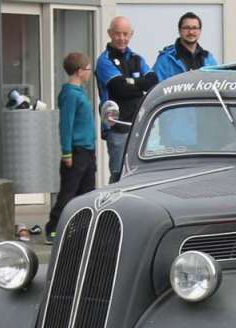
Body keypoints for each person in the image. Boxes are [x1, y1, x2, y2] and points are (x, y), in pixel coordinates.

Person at [95, 16, 158, 184]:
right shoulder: (104, 60)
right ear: (109, 33)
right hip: (117, 127)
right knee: (119, 176)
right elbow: (119, 89)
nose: (122, 38)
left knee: (141, 176)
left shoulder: (137, 58)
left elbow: (153, 81)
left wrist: (129, 82)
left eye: (125, 34)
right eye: (117, 34)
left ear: (131, 35)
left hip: (140, 125)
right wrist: (139, 84)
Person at [45, 53, 97, 245]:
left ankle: (82, 230)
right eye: (88, 69)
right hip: (76, 151)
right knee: (69, 192)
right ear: (79, 71)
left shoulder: (80, 92)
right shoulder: (70, 95)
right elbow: (66, 125)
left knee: (87, 192)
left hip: (88, 150)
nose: (90, 73)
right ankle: (53, 228)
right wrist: (67, 152)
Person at [153, 12, 218, 82]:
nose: (191, 32)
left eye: (195, 28)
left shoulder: (209, 59)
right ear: (179, 30)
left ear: (200, 31)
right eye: (187, 28)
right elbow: (157, 88)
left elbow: (217, 84)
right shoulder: (166, 59)